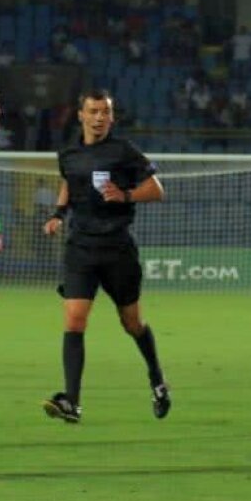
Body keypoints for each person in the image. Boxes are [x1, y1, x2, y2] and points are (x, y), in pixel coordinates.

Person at [41, 89, 170, 424]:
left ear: (112, 117)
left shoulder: (124, 151)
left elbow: (157, 190)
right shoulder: (68, 153)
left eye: (105, 112)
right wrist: (58, 213)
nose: (99, 118)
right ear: (81, 115)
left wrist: (126, 194)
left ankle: (156, 378)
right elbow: (69, 183)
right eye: (93, 111)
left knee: (132, 323)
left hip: (117, 249)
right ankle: (72, 401)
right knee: (74, 319)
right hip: (80, 247)